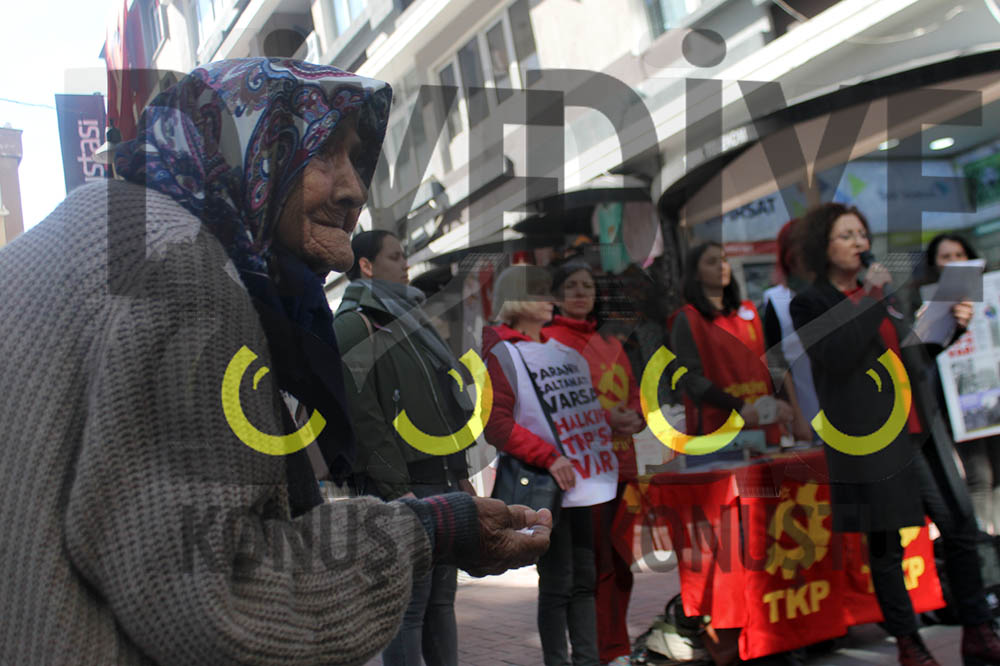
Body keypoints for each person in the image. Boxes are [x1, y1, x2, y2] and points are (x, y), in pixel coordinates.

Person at [0, 58, 551, 664]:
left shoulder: (105, 229)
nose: (354, 189)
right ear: (255, 148)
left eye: (354, 159)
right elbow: (213, 597)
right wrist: (431, 530)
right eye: (323, 152)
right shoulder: (183, 271)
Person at [789, 203, 1000, 666]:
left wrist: (949, 328)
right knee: (886, 546)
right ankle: (910, 644)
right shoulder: (810, 302)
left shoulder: (880, 295)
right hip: (870, 442)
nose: (860, 243)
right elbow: (839, 354)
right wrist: (870, 295)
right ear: (823, 246)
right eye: (846, 235)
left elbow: (913, 353)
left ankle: (977, 630)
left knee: (961, 526)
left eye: (862, 234)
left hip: (921, 431)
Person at [334, 229, 476, 666]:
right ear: (366, 266)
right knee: (409, 607)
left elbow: (441, 410)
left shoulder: (412, 325)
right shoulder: (354, 324)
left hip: (443, 481)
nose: (405, 263)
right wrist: (397, 490)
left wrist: (462, 475)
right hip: (404, 488)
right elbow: (363, 415)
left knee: (440, 604)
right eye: (395, 256)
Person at [483, 265, 620, 666]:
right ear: (516, 298)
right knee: (559, 583)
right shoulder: (501, 353)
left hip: (583, 481)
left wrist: (616, 422)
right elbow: (498, 425)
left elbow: (582, 412)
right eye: (540, 291)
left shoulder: (562, 352)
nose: (551, 298)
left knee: (585, 580)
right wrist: (550, 456)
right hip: (547, 482)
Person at [545, 259, 643, 666]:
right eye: (571, 285)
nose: (582, 292)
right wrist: (607, 418)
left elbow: (634, 398)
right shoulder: (549, 342)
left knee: (621, 561)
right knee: (595, 566)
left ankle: (615, 645)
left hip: (623, 467)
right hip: (585, 475)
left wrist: (635, 417)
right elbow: (556, 408)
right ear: (555, 296)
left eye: (587, 285)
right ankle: (605, 651)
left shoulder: (612, 343)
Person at [670, 242, 793, 451]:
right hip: (720, 429)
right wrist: (738, 406)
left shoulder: (750, 312)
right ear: (696, 274)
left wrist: (782, 401)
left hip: (765, 421)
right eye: (711, 262)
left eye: (724, 260)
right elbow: (690, 378)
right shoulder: (688, 319)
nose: (721, 266)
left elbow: (771, 362)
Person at [921, 233, 1000, 533]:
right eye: (946, 257)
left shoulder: (992, 293)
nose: (954, 262)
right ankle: (986, 546)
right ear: (934, 265)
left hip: (994, 396)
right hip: (960, 407)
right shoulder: (927, 307)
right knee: (979, 476)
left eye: (959, 255)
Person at [761, 220, 819, 443]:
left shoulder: (841, 292)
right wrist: (796, 416)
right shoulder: (775, 300)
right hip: (808, 412)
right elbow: (775, 361)